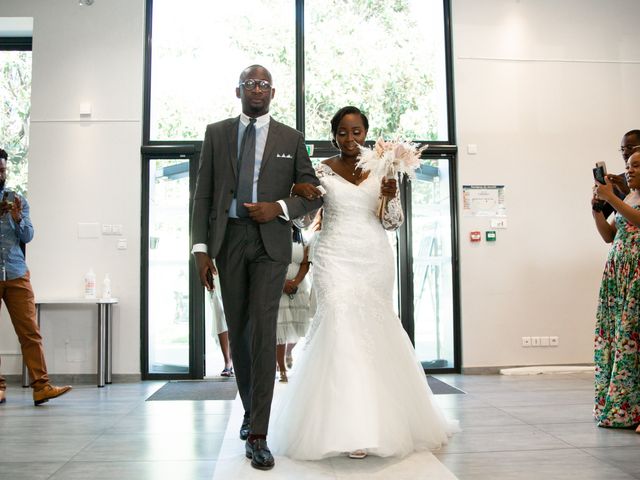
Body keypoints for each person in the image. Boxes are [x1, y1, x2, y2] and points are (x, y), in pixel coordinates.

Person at [270, 106, 457, 460]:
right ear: (334, 136)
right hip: (334, 255)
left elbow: (392, 222)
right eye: (342, 132)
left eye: (356, 132)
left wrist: (388, 195)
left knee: (373, 329)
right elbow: (307, 219)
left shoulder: (383, 166)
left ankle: (379, 422)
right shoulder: (322, 170)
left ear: (366, 133)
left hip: (373, 256)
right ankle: (347, 427)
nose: (350, 139)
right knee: (339, 324)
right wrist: (306, 196)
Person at [190, 65, 322, 470]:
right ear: (239, 90)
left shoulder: (291, 138)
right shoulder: (216, 133)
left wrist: (279, 208)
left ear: (273, 91)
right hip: (228, 240)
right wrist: (200, 248)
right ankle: (250, 410)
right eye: (250, 83)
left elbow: (312, 194)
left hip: (270, 242)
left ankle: (259, 434)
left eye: (263, 83)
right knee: (241, 333)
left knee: (264, 332)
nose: (257, 89)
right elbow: (204, 193)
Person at [0, 149, 72, 406]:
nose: (2, 174)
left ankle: (41, 387)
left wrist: (17, 218)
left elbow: (28, 235)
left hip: (17, 272)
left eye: (4, 170)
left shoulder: (17, 200)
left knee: (30, 331)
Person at [592, 150, 640, 432]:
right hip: (618, 276)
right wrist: (598, 208)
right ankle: (626, 408)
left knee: (634, 339)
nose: (628, 170)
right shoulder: (630, 197)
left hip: (636, 274)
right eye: (627, 165)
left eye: (635, 165)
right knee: (622, 339)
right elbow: (609, 236)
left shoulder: (624, 200)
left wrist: (612, 198)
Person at [275, 227, 313, 383]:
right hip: (277, 286)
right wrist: (282, 284)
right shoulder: (274, 235)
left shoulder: (301, 236)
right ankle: (281, 368)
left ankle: (288, 352)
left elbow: (305, 263)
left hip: (298, 287)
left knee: (298, 327)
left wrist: (295, 282)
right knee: (281, 329)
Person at [597, 129, 640, 218]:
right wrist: (598, 202)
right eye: (622, 149)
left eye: (629, 147)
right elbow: (612, 227)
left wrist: (627, 193)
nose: (624, 153)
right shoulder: (618, 182)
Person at [208, 279, 233, 377]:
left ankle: (233, 359)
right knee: (220, 315)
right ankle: (227, 361)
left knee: (234, 315)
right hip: (216, 274)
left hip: (235, 271)